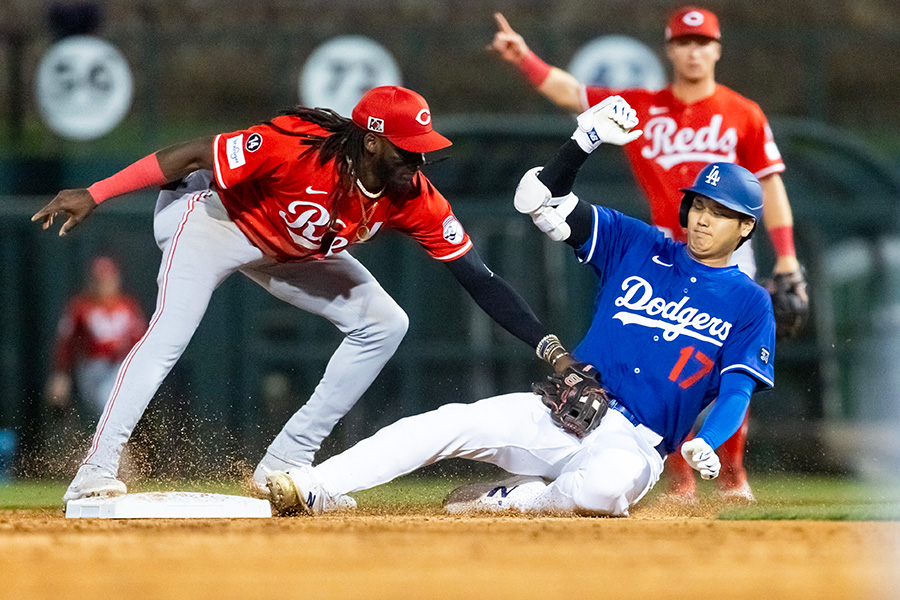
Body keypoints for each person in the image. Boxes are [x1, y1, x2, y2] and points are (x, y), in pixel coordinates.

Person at [33, 86, 573, 503]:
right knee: (170, 334)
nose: (419, 162)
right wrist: (95, 192)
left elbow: (479, 277)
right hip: (213, 221)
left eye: (424, 150)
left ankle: (284, 465)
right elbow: (191, 155)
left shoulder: (415, 198)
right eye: (408, 150)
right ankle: (95, 471)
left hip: (290, 250)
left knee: (386, 322)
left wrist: (548, 346)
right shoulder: (296, 146)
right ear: (371, 140)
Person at [264, 97, 776, 518]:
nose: (704, 219)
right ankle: (314, 485)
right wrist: (583, 142)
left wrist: (709, 439)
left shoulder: (750, 303)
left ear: (747, 227)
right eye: (700, 206)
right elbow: (538, 200)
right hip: (565, 410)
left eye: (722, 213)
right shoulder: (636, 243)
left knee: (602, 491)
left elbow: (736, 389)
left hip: (637, 445)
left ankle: (515, 500)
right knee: (446, 423)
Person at [489, 7, 806, 501]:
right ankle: (676, 473)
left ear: (717, 49)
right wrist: (524, 57)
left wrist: (786, 257)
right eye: (683, 42)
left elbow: (771, 185)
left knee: (724, 369)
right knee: (667, 366)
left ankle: (732, 470)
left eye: (702, 42)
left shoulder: (743, 112)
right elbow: (574, 94)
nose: (693, 51)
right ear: (670, 49)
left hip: (728, 253)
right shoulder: (645, 107)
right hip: (661, 251)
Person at [45, 256, 147, 421]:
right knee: (108, 409)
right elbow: (66, 343)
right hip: (93, 370)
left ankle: (117, 444)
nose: (104, 284)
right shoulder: (80, 306)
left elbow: (141, 342)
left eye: (108, 278)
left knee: (115, 415)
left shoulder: (128, 305)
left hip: (122, 368)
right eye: (99, 280)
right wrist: (60, 375)